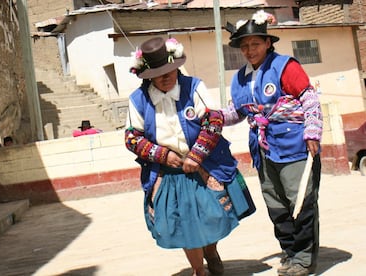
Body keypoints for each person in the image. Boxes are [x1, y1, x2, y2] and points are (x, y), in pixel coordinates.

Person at [124, 37, 255, 276]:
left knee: (211, 217)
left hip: (203, 166)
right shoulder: (138, 100)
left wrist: (196, 155)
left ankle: (211, 251)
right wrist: (162, 155)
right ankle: (199, 270)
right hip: (169, 173)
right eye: (160, 73)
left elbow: (213, 120)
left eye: (170, 71)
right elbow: (132, 138)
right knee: (185, 226)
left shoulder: (194, 87)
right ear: (148, 75)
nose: (167, 77)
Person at [222, 10, 322, 276]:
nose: (249, 50)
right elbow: (238, 112)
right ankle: (290, 253)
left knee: (300, 201)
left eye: (255, 44)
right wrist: (213, 117)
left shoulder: (285, 66)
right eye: (244, 46)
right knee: (276, 205)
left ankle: (304, 258)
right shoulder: (240, 78)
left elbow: (308, 98)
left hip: (294, 146)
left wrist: (312, 132)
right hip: (263, 150)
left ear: (267, 42)